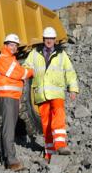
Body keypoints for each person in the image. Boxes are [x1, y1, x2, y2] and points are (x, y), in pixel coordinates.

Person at [23, 26, 79, 161]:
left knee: (58, 114)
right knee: (46, 123)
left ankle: (61, 145)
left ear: (55, 40)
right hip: (41, 94)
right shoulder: (35, 53)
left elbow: (69, 71)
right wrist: (23, 77)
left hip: (56, 92)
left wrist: (72, 88)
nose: (49, 41)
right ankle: (49, 151)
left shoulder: (61, 54)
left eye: (51, 39)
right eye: (47, 38)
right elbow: (26, 67)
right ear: (43, 39)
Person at [0, 33, 33, 171]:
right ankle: (12, 161)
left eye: (16, 45)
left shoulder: (11, 59)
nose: (14, 47)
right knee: (9, 129)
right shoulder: (4, 59)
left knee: (8, 127)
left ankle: (5, 156)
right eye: (11, 44)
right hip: (7, 97)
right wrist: (30, 71)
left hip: (12, 97)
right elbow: (19, 73)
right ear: (5, 45)